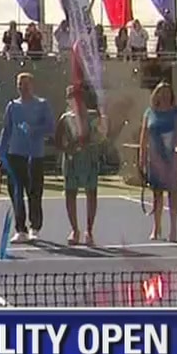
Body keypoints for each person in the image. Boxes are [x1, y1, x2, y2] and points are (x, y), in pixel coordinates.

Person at [0, 72, 54, 243]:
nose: (22, 87)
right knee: (16, 193)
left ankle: (34, 228)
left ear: (32, 85)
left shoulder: (42, 104)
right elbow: (6, 130)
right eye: (19, 84)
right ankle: (20, 229)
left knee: (34, 193)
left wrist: (35, 130)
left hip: (34, 156)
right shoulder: (12, 106)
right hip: (15, 155)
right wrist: (1, 155)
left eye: (25, 84)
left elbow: (50, 127)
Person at [56, 85, 104, 246]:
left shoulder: (94, 115)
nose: (74, 100)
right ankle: (74, 230)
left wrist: (89, 139)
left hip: (89, 159)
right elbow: (58, 141)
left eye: (77, 97)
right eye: (71, 97)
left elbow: (100, 136)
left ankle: (89, 231)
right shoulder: (65, 118)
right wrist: (68, 147)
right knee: (70, 193)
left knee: (91, 193)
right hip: (71, 161)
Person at [138, 82, 177, 242]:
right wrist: (142, 159)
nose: (164, 96)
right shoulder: (149, 113)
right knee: (157, 195)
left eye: (167, 92)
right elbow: (143, 138)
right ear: (156, 95)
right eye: (161, 92)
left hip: (172, 161)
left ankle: (173, 230)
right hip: (155, 161)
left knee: (173, 194)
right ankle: (156, 228)